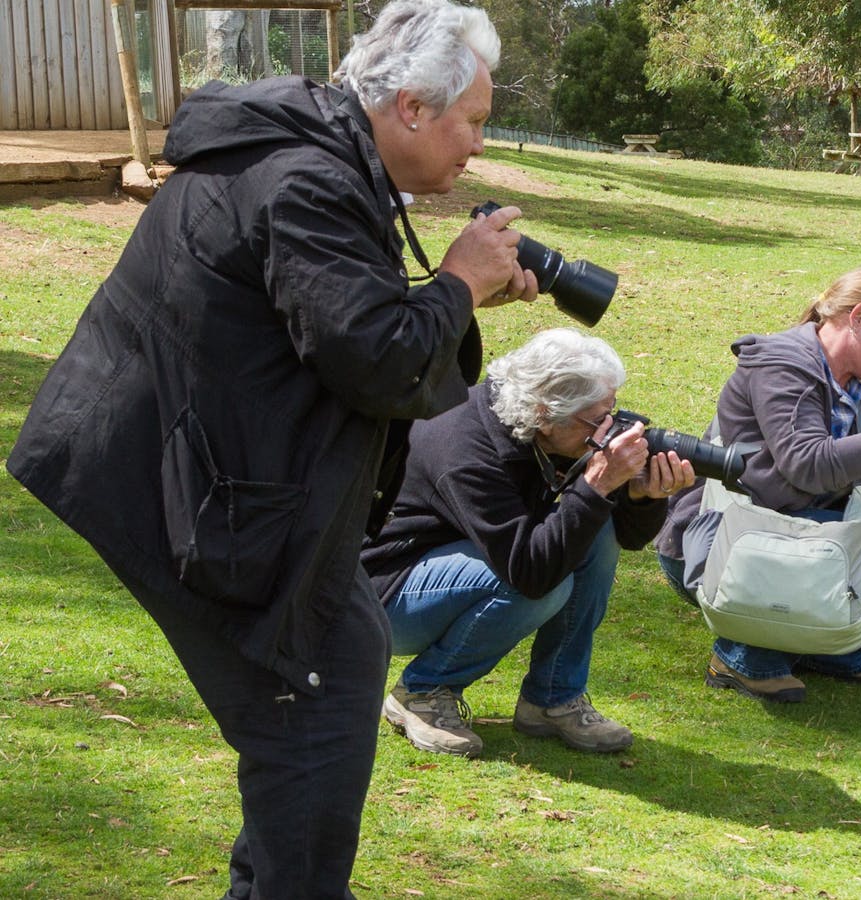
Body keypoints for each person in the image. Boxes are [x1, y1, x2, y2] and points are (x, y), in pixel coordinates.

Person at [5, 1, 545, 894]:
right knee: (315, 715)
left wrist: (460, 297)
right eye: (474, 121)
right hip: (187, 481)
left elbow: (339, 328)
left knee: (342, 660)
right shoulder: (307, 178)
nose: (478, 147)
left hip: (212, 463)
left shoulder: (317, 155)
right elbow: (376, 359)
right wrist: (455, 282)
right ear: (410, 106)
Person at [362, 329, 694, 757]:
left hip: (467, 560)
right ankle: (423, 692)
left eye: (611, 410)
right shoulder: (466, 450)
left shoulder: (550, 429)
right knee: (540, 585)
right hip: (388, 592)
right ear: (544, 412)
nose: (608, 429)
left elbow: (627, 538)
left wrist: (644, 495)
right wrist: (594, 487)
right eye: (597, 420)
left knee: (597, 534)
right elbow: (530, 574)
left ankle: (552, 699)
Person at [656, 266, 861, 703]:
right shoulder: (780, 365)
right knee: (828, 536)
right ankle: (741, 659)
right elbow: (806, 465)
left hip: (789, 535)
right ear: (858, 316)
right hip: (717, 546)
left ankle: (830, 649)